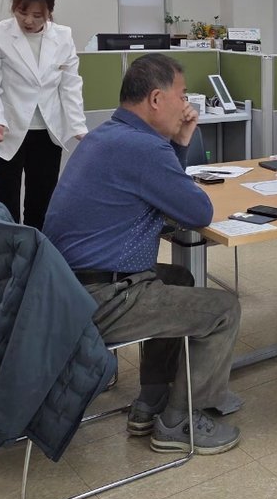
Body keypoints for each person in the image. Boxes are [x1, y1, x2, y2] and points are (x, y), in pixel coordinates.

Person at [43, 53, 242, 454]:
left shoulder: (108, 135)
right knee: (224, 308)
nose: (186, 106)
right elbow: (196, 211)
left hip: (66, 289)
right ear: (155, 99)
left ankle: (152, 398)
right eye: (182, 95)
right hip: (102, 299)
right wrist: (177, 146)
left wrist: (178, 145)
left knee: (179, 279)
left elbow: (167, 195)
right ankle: (179, 422)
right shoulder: (143, 148)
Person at [0, 0, 86, 231]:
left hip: (47, 130)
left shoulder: (63, 36)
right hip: (8, 129)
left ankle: (36, 252)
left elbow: (70, 84)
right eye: (22, 12)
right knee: (4, 205)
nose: (28, 21)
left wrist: (78, 126)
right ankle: (7, 254)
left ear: (49, 12)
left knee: (42, 203)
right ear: (14, 6)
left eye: (38, 15)